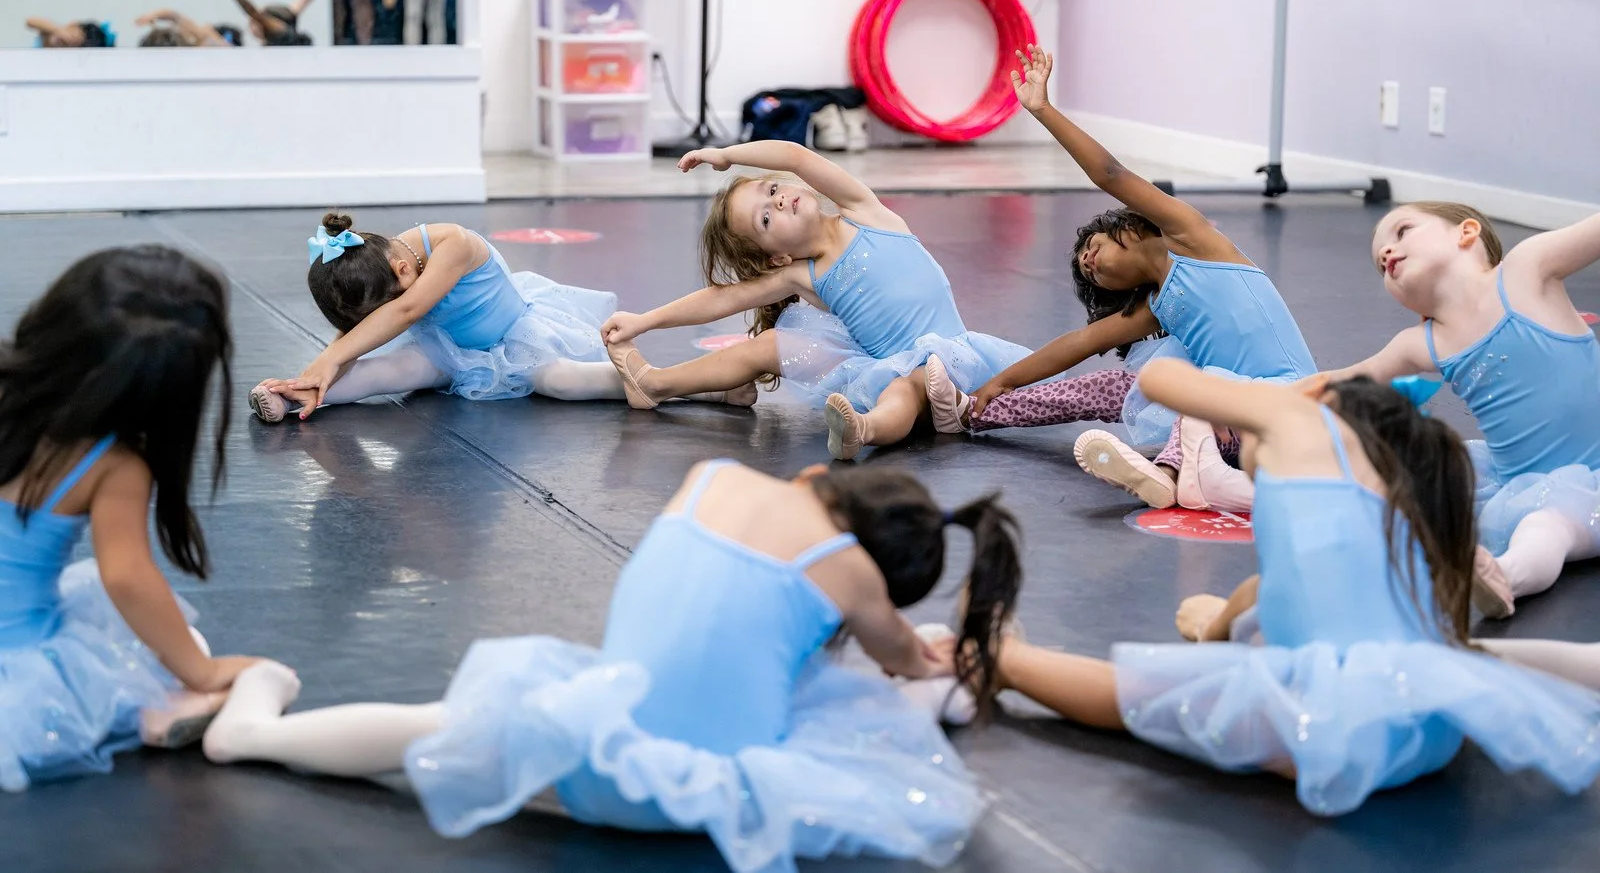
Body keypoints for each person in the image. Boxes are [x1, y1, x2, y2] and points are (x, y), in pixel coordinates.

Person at [203, 460, 1020, 871]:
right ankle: (947, 703)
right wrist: (928, 655)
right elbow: (902, 655)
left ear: (825, 478)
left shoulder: (711, 477)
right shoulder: (853, 572)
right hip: (697, 792)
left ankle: (249, 733)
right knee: (868, 709)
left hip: (606, 747)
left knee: (446, 730)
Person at [984, 360, 1600, 816]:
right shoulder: (1394, 500)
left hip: (1329, 731)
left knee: (1143, 695)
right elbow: (1265, 589)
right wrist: (1217, 625)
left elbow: (1161, 378)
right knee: (1292, 637)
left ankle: (1000, 659)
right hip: (1430, 728)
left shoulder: (1301, 418)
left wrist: (1292, 394)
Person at [924, 45, 1317, 512]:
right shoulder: (1158, 305)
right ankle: (969, 415)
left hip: (1287, 402)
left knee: (1201, 387)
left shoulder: (1192, 238)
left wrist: (1044, 110)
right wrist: (999, 383)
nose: (1088, 262)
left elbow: (1109, 173)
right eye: (1088, 273)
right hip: (1226, 419)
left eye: (1092, 248)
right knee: (1113, 384)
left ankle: (1168, 474)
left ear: (1127, 228)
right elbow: (1079, 343)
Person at [0, 246, 275, 791]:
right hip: (19, 655)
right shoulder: (113, 463)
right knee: (181, 648)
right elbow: (125, 576)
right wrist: (201, 672)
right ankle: (164, 709)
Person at [597, 142, 1035, 461]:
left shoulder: (864, 210)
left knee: (911, 384)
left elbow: (797, 157)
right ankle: (654, 384)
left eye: (770, 190)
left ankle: (865, 429)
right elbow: (721, 300)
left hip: (951, 365)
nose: (779, 200)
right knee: (770, 347)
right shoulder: (800, 274)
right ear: (777, 256)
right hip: (882, 368)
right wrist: (645, 321)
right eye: (766, 218)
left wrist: (729, 155)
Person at [1312, 203, 1600, 618]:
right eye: (1380, 262)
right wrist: (1263, 399)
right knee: (1405, 468)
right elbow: (1346, 381)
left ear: (1466, 232)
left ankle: (1504, 575)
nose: (1388, 253)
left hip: (1589, 482)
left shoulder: (1526, 270)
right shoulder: (1422, 341)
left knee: (1545, 527)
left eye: (1402, 231)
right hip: (1511, 482)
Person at [249, 213, 752, 423]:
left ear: (403, 268)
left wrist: (336, 352)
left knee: (563, 382)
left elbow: (408, 310)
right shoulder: (382, 269)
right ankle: (296, 394)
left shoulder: (453, 245)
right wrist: (323, 364)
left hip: (516, 337)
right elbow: (379, 320)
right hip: (447, 347)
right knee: (385, 372)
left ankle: (694, 385)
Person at [134, 9, 237, 48]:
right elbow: (176, 17)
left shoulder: (203, 39)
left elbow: (175, 17)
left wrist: (153, 15)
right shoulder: (202, 39)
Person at [26, 18, 112, 48]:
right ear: (73, 23)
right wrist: (59, 30)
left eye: (67, 45)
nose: (66, 39)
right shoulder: (47, 33)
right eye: (71, 35)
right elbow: (31, 21)